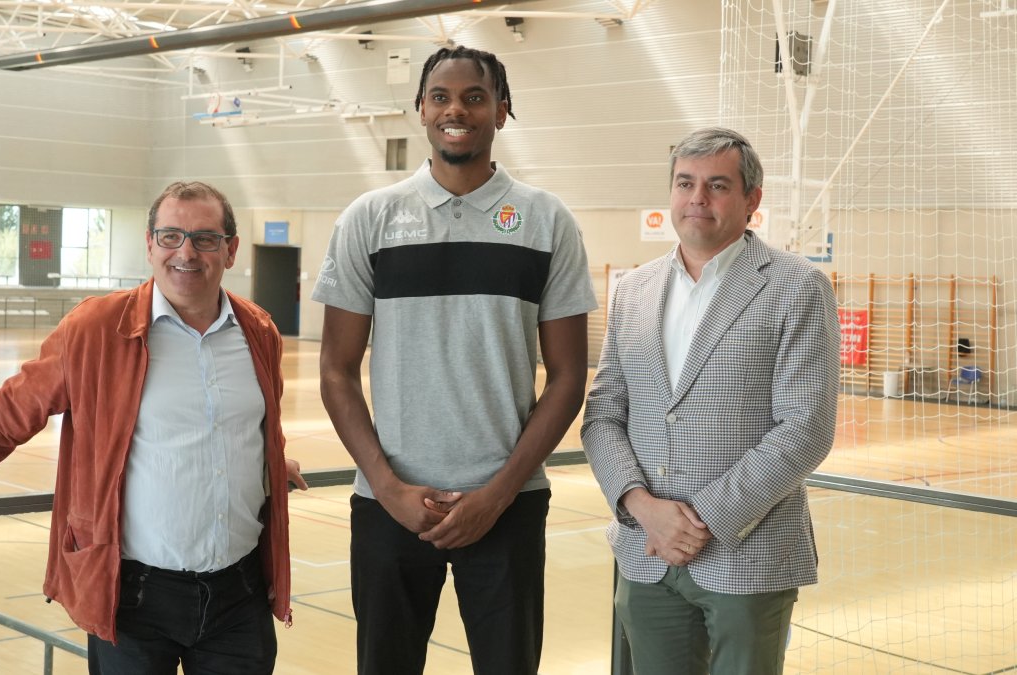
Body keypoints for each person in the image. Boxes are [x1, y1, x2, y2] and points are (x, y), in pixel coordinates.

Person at [0, 181, 307, 675]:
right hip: (132, 594)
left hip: (238, 595)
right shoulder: (96, 329)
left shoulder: (258, 332)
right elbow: (7, 413)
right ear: (150, 244)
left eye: (204, 238)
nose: (187, 252)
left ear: (230, 249)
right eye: (172, 236)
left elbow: (243, 421)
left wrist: (261, 461)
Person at [313, 45, 597, 675]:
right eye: (440, 96)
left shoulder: (546, 221)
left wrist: (497, 495)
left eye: (475, 95)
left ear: (502, 109)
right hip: (391, 505)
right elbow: (336, 370)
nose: (456, 109)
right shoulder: (371, 219)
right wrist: (386, 486)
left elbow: (569, 376)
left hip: (508, 505)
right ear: (420, 109)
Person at [581, 127, 840, 674]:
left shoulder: (797, 287)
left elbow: (806, 428)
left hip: (747, 557)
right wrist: (643, 509)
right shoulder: (633, 289)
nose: (697, 198)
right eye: (685, 183)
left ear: (752, 201)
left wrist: (700, 520)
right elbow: (603, 416)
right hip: (645, 552)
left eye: (717, 185)